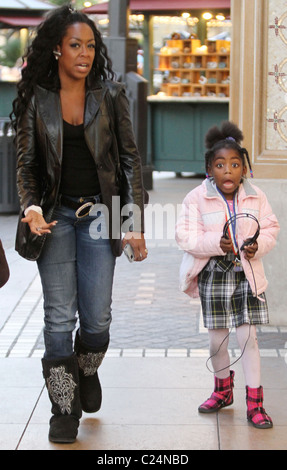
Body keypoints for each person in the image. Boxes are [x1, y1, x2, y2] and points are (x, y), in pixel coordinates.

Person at [11, 5, 148, 444]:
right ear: (56, 49)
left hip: (100, 215)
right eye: (75, 45)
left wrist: (134, 220)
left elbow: (129, 160)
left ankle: (86, 369)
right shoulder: (38, 99)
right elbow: (27, 164)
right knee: (57, 318)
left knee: (97, 317)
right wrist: (30, 206)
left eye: (90, 45)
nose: (85, 53)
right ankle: (63, 407)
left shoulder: (109, 96)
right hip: (53, 218)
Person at [176, 121, 280, 429]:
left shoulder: (256, 195)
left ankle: (256, 403)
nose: (228, 171)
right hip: (214, 276)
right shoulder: (196, 198)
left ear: (244, 168)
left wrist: (257, 245)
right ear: (209, 168)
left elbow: (271, 227)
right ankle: (222, 391)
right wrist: (214, 244)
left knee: (249, 339)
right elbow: (184, 235)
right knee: (217, 343)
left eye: (235, 164)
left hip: (246, 275)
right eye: (220, 165)